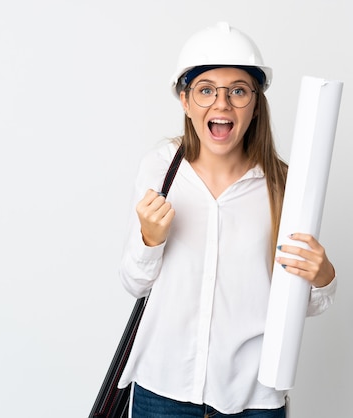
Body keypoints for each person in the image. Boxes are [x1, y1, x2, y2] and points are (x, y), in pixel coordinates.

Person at [118, 22, 337, 418]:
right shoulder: (160, 169)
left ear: (255, 104)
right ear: (185, 101)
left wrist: (323, 277)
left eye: (238, 90)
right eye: (206, 90)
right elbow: (134, 283)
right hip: (163, 388)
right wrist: (149, 239)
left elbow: (300, 303)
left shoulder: (284, 184)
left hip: (253, 394)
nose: (222, 104)